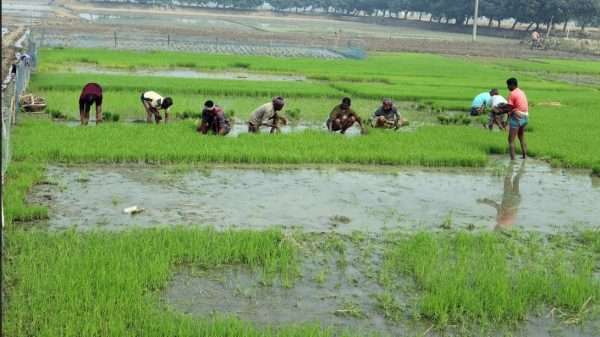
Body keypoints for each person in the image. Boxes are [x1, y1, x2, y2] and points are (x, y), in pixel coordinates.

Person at [478, 162, 524, 231]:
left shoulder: (509, 224)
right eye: (494, 227)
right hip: (509, 199)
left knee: (516, 180)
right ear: (496, 227)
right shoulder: (499, 220)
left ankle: (523, 165)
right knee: (507, 179)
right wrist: (485, 201)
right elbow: (496, 206)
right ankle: (512, 164)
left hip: (517, 201)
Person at [506, 78, 529, 160]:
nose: (507, 87)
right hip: (525, 117)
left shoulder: (512, 94)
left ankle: (512, 161)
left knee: (511, 140)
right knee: (521, 137)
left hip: (517, 117)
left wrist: (507, 120)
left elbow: (509, 108)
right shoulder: (521, 92)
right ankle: (525, 157)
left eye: (508, 85)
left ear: (512, 85)